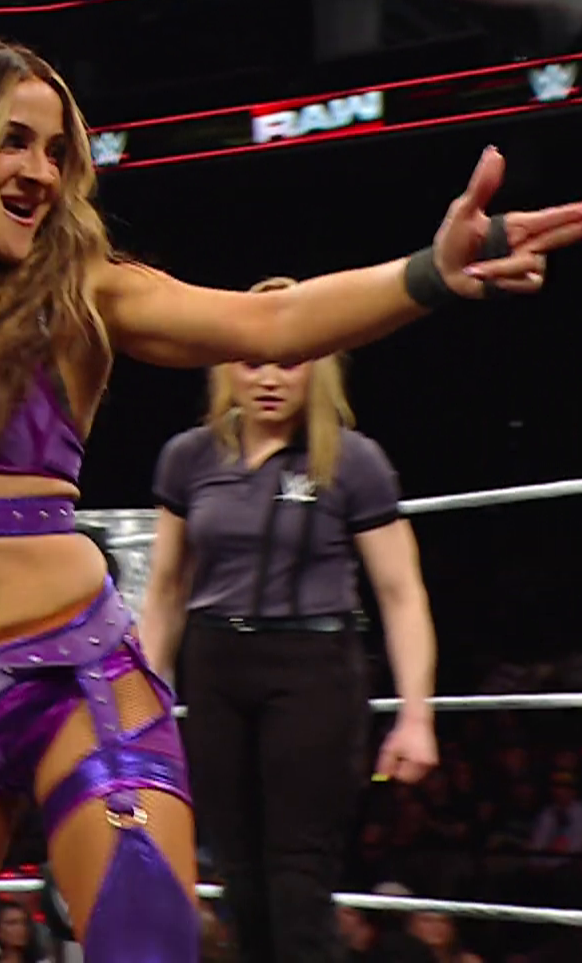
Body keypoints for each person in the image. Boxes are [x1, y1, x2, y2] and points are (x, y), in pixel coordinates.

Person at [0, 31, 582, 963]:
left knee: (148, 943)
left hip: (79, 679)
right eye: (13, 141)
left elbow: (272, 320)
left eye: (56, 152)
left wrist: (431, 274)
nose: (40, 173)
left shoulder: (81, 290)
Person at [137, 275, 443, 963]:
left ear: (317, 365)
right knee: (237, 874)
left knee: (298, 876)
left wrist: (416, 715)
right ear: (227, 366)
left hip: (313, 670)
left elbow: (401, 593)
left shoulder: (353, 460)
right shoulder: (190, 457)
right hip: (216, 665)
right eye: (253, 361)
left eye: (290, 360)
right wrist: (144, 696)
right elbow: (165, 589)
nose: (270, 378)